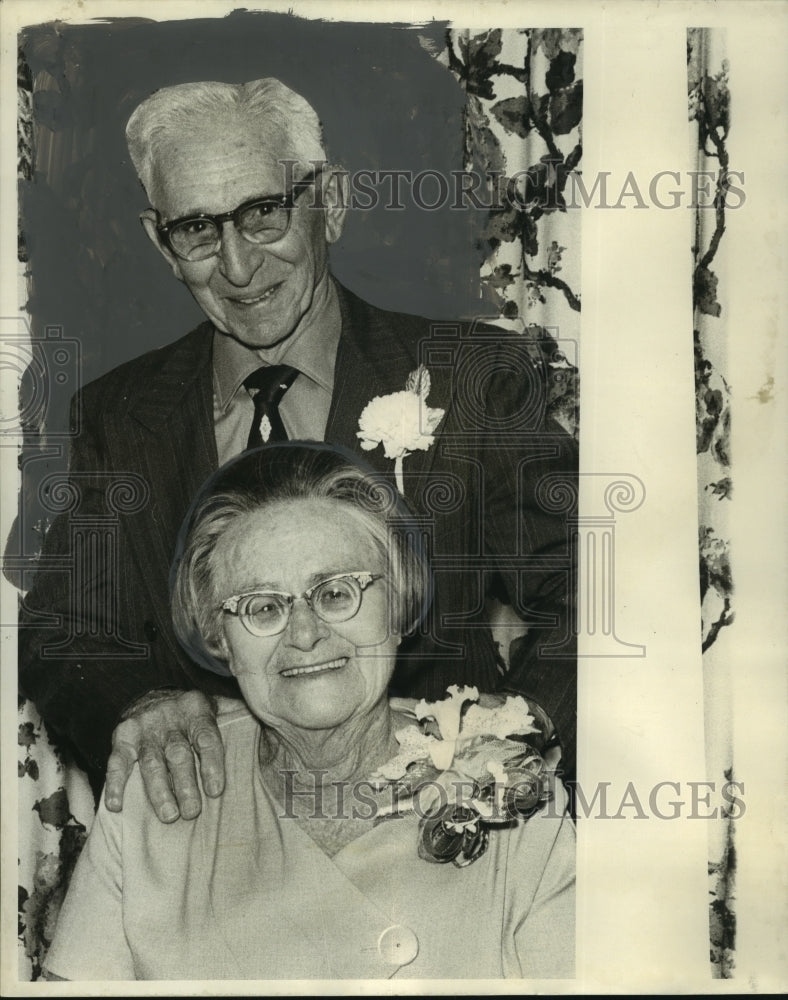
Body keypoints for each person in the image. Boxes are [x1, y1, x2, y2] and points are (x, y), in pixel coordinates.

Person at [18, 78, 577, 824]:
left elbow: (593, 594)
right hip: (215, 850)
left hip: (437, 842)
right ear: (160, 241)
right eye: (197, 230)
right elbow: (64, 636)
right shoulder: (116, 418)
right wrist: (136, 706)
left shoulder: (474, 378)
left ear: (331, 203)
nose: (238, 268)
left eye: (264, 214)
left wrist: (497, 756)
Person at [43, 444, 575, 981]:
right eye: (264, 607)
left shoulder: (513, 789)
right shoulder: (154, 792)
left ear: (399, 606)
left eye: (338, 593)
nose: (304, 635)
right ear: (219, 638)